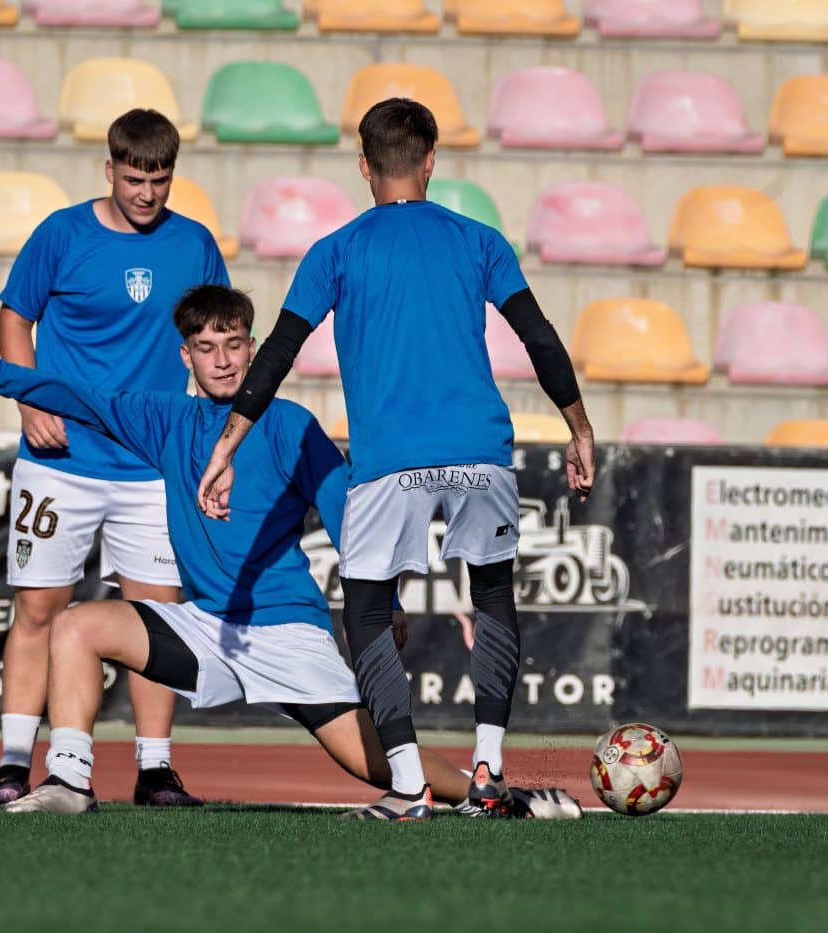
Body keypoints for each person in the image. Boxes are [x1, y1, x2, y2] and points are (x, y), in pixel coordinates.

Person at [0, 285, 580, 820]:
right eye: (207, 348)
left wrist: (389, 597)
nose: (223, 360)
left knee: (374, 763)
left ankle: (496, 796)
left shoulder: (290, 424)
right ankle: (68, 778)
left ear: (255, 348)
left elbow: (347, 510)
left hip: (287, 628)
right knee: (76, 624)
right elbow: (74, 396)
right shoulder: (166, 419)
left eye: (234, 344)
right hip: (208, 625)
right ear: (186, 357)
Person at [195, 98, 595, 819]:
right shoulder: (480, 240)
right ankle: (487, 773)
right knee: (494, 596)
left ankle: (408, 785)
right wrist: (579, 427)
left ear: (364, 167)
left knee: (371, 612)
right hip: (481, 450)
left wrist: (227, 444)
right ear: (432, 160)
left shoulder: (337, 250)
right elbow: (539, 336)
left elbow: (278, 351)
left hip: (390, 462)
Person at [0, 109, 228, 809]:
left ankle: (155, 768)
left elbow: (217, 342)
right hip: (59, 461)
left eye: (160, 178)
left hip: (151, 465)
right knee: (38, 608)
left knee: (156, 616)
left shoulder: (196, 244)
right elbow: (12, 319)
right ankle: (13, 762)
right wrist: (28, 401)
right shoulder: (61, 233)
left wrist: (217, 441)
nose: (147, 192)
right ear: (108, 168)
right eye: (135, 176)